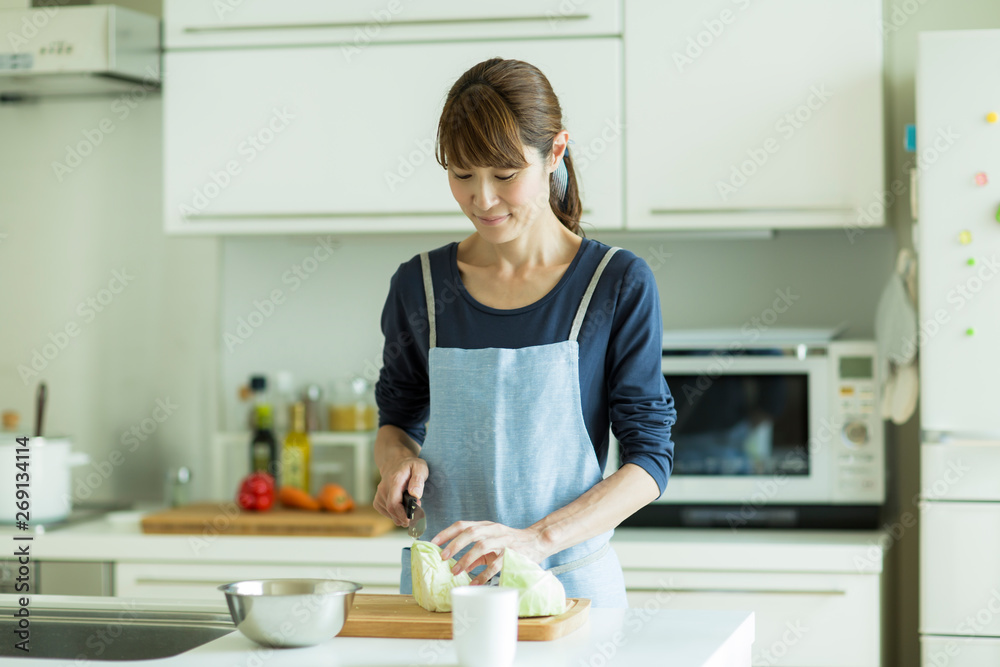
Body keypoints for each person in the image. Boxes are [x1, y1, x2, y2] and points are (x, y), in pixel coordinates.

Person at [372, 58, 675, 608]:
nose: (481, 199)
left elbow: (650, 459)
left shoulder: (615, 284)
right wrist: (397, 464)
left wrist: (539, 539)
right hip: (447, 598)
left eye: (505, 176)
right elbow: (396, 421)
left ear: (555, 152)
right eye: (462, 175)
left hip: (570, 594)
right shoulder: (419, 286)